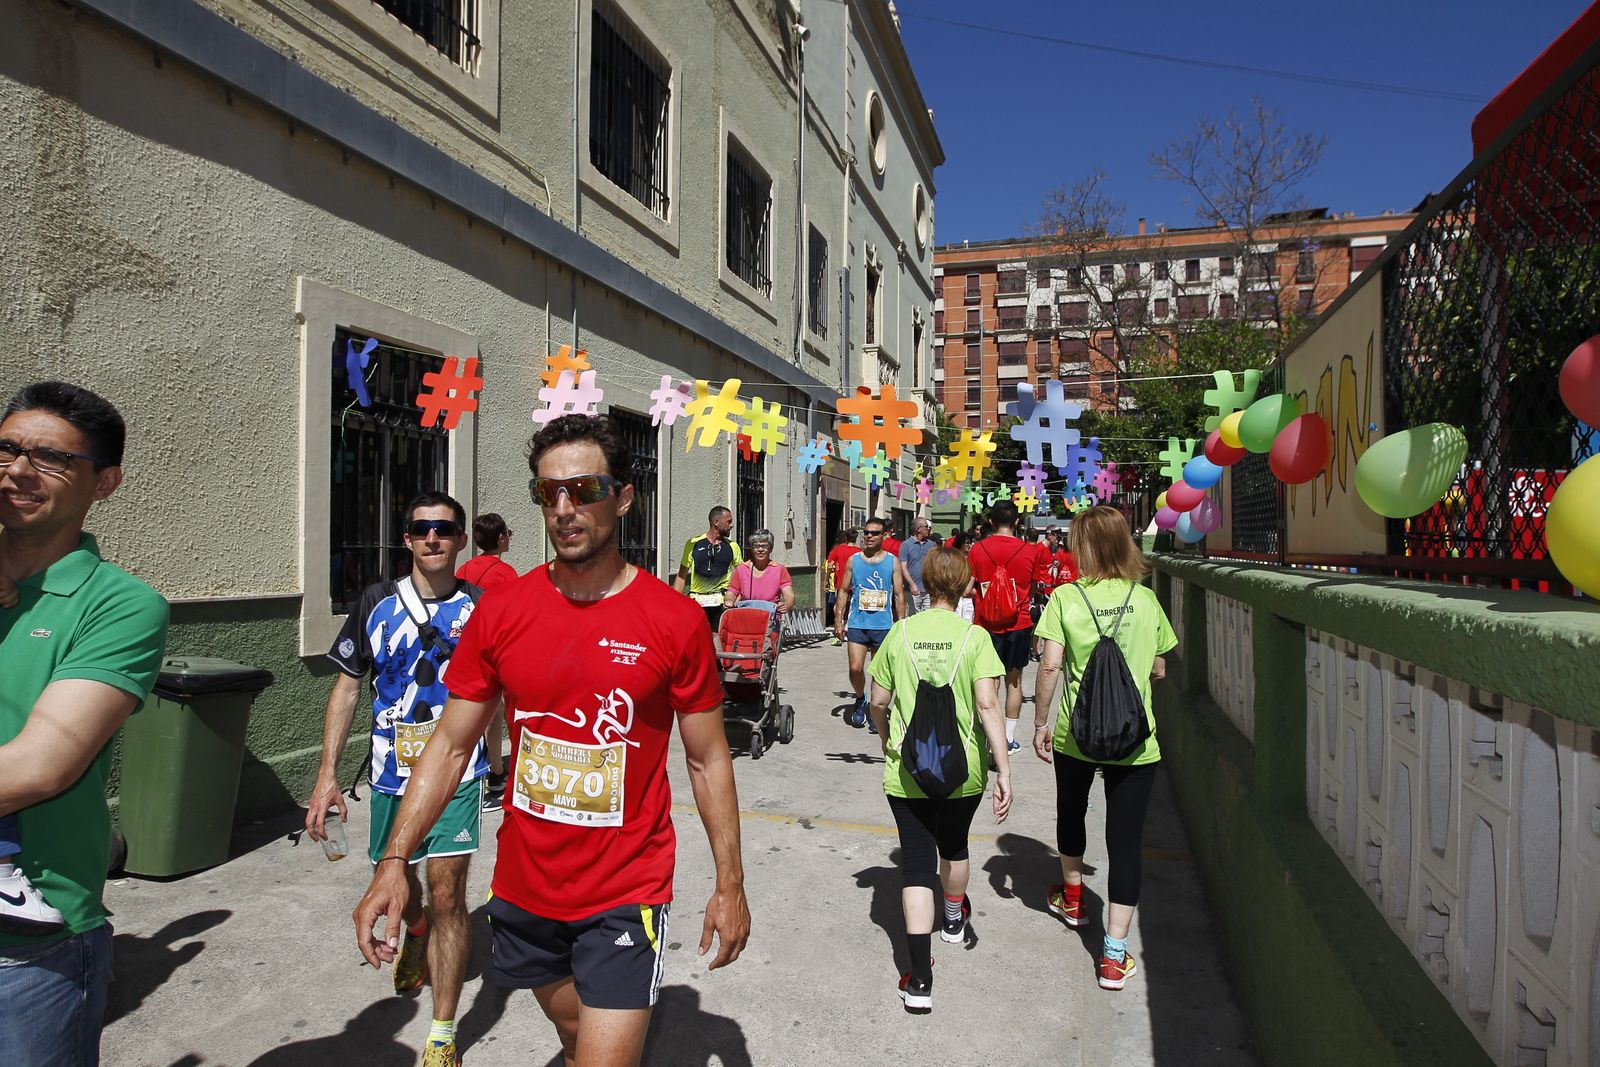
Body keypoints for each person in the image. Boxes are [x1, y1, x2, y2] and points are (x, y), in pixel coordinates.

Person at [353, 414, 749, 1067]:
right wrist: (395, 861)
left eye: (583, 488)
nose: (564, 509)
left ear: (622, 496)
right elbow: (451, 745)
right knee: (572, 1033)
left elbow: (708, 759)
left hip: (628, 888)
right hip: (524, 890)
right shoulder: (502, 613)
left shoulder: (673, 620)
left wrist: (729, 883)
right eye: (549, 492)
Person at [0, 382, 169, 1063]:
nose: (17, 469)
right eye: (7, 448)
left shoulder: (120, 604)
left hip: (26, 955)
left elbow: (39, 767)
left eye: (49, 457)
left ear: (105, 483)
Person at [306, 491, 488, 1067]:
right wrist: (327, 774)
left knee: (448, 894)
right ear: (406, 539)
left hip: (459, 774)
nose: (433, 537)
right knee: (399, 885)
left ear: (461, 540)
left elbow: (500, 694)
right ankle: (415, 933)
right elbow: (348, 686)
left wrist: (505, 762)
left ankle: (441, 1033)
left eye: (444, 528)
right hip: (390, 777)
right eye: (421, 529)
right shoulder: (375, 602)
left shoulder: (483, 608)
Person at [1031, 506, 1177, 992]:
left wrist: (1039, 721)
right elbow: (1159, 669)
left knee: (1071, 814)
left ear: (1083, 547)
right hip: (1137, 742)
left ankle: (1072, 898)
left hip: (1077, 734)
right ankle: (1113, 955)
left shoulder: (1064, 598)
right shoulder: (1146, 599)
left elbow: (1049, 668)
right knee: (1125, 841)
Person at [865, 548, 1010, 1012]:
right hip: (962, 769)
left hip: (907, 770)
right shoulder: (976, 638)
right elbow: (989, 706)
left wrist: (887, 738)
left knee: (915, 865)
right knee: (955, 846)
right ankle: (952, 920)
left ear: (924, 583)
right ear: (965, 584)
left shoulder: (900, 633)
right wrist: (1003, 769)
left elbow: (878, 701)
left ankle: (920, 980)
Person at [967, 501, 1046, 754]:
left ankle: (991, 737)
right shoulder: (1030, 551)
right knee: (1014, 681)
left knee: (990, 682)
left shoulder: (978, 550)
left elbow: (969, 587)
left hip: (985, 623)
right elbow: (1033, 587)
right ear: (1017, 523)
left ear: (990, 523)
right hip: (1019, 622)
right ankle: (1009, 738)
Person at [456, 514, 518, 810]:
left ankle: (470, 772)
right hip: (494, 652)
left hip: (463, 650)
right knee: (493, 717)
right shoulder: (506, 574)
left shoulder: (464, 568)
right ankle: (495, 775)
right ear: (502, 539)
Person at [833, 518, 902, 732]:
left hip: (883, 625)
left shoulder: (892, 561)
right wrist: (838, 620)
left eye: (875, 532)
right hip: (857, 623)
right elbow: (843, 590)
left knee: (879, 672)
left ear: (883, 536)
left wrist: (901, 624)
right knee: (855, 668)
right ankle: (860, 698)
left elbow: (899, 594)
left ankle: (875, 708)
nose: (870, 536)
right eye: (867, 532)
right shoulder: (854, 560)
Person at [674, 506, 742, 634]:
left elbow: (743, 576)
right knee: (697, 639)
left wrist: (735, 601)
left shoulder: (733, 546)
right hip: (697, 602)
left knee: (717, 641)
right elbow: (681, 576)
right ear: (716, 522)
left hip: (721, 603)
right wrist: (675, 601)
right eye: (728, 521)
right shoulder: (693, 544)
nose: (731, 525)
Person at [723, 528, 794, 626]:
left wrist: (787, 604)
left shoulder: (779, 569)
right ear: (752, 549)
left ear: (771, 549)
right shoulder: (742, 569)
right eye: (756, 546)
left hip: (770, 621)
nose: (760, 550)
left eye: (765, 546)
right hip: (746, 619)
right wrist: (729, 601)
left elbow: (789, 595)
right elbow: (732, 592)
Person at [897, 517, 938, 616]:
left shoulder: (931, 545)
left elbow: (935, 565)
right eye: (926, 527)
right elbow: (903, 567)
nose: (928, 529)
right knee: (912, 616)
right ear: (918, 529)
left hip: (928, 589)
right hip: (912, 590)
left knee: (928, 616)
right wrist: (912, 585)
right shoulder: (905, 545)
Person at [824, 528, 860, 637]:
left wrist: (826, 580)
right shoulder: (860, 552)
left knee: (839, 604)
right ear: (856, 538)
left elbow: (830, 565)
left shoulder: (838, 549)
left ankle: (840, 623)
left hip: (841, 582)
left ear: (846, 538)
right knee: (853, 605)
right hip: (855, 582)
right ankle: (849, 625)